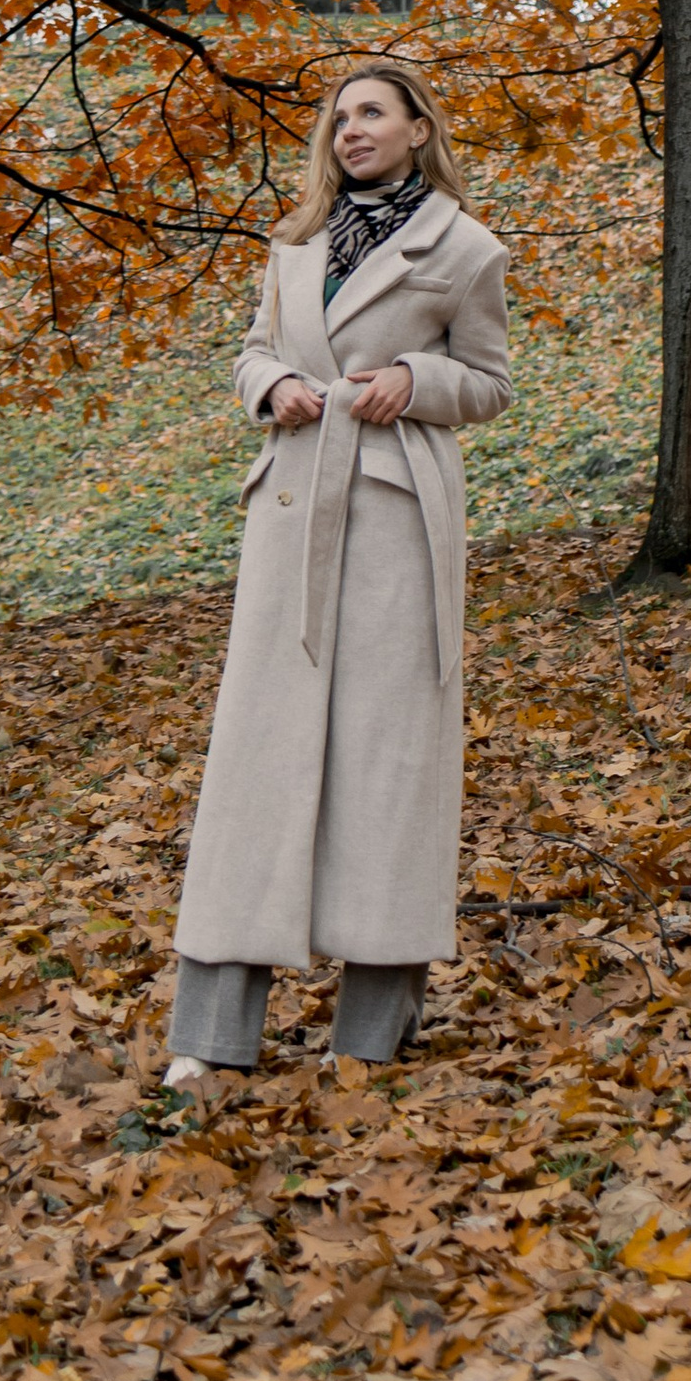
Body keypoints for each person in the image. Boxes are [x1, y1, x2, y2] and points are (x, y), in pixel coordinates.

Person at [164, 54, 512, 1083]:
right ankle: (210, 1038)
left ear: (416, 127)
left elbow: (489, 383)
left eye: (370, 113)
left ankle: (371, 1030)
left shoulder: (467, 249)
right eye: (338, 117)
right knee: (256, 763)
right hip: (290, 511)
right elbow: (252, 350)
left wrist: (412, 379)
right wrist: (271, 386)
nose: (349, 130)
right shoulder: (294, 242)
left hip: (396, 518)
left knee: (385, 762)